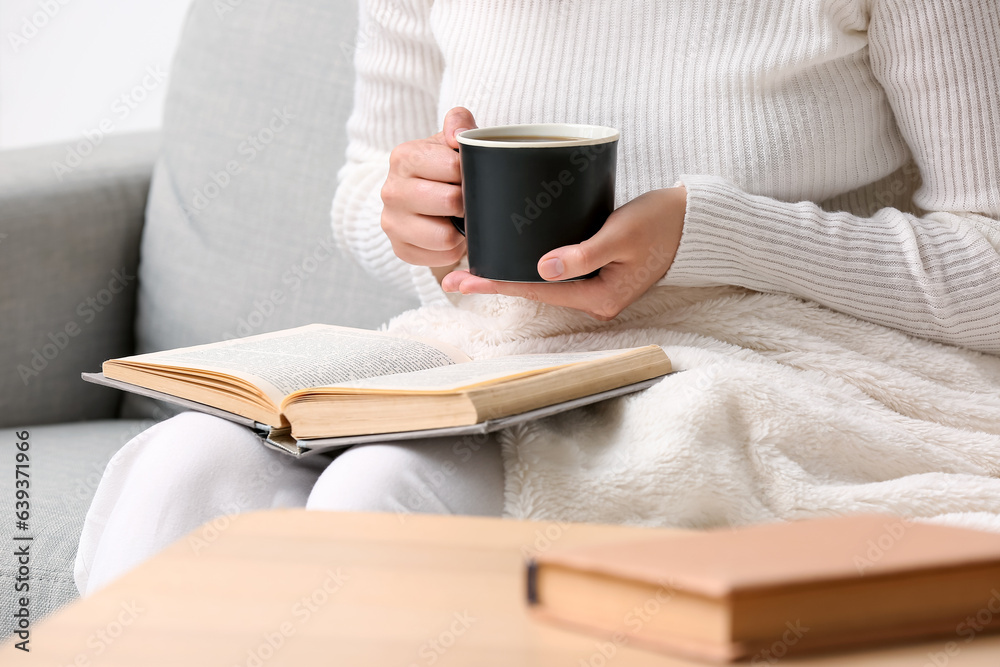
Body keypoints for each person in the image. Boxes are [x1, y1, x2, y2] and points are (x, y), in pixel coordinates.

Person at [75, 0, 1000, 596]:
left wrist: (711, 233)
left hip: (771, 358)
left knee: (382, 487)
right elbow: (370, 180)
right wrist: (414, 219)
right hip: (496, 353)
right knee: (184, 466)